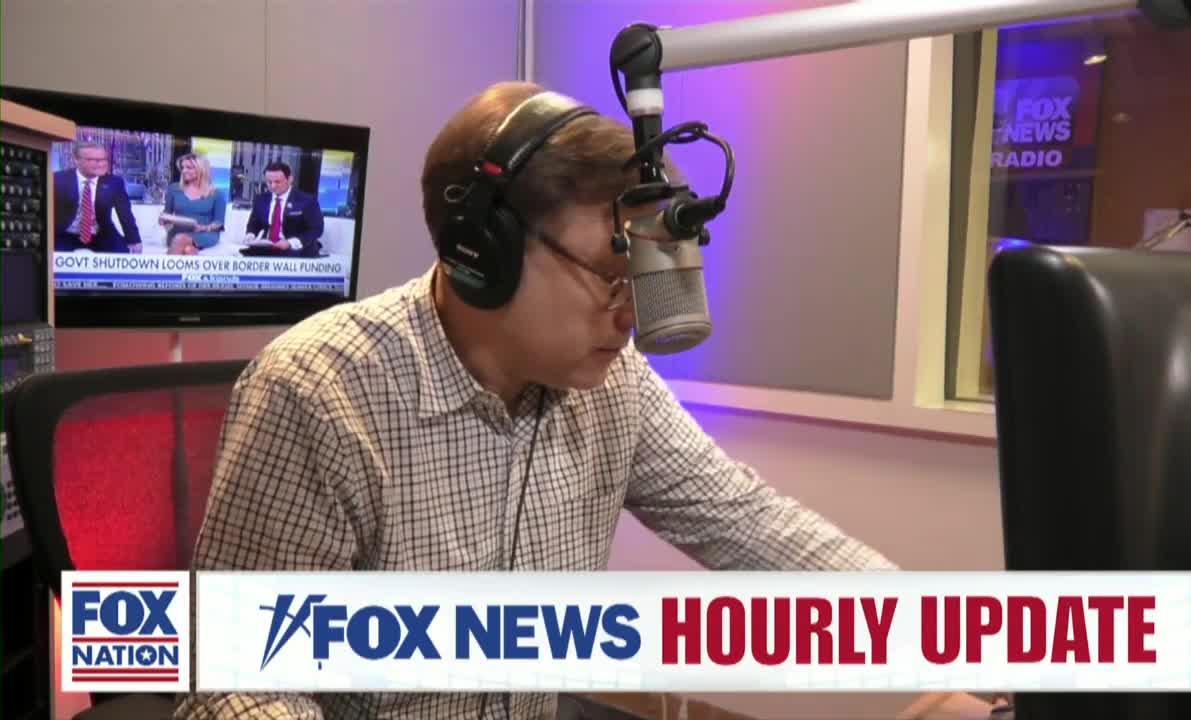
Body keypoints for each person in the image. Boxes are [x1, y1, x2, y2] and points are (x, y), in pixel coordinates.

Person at [175, 81, 895, 720]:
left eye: (644, 279)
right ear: (482, 252)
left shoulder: (616, 384)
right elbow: (237, 686)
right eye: (612, 275)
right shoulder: (320, 391)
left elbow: (746, 520)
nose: (635, 316)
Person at [52, 141, 142, 253]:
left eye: (103, 159)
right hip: (65, 233)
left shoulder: (114, 182)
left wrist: (134, 240)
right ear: (76, 160)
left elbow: (125, 214)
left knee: (122, 252)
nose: (100, 164)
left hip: (101, 233)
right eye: (92, 160)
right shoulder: (57, 179)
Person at [242, 161, 325, 257]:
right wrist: (250, 235)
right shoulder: (261, 199)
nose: (273, 186)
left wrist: (290, 243)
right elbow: (254, 224)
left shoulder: (306, 200)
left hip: (296, 250)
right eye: (269, 182)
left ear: (290, 179)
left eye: (277, 182)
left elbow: (316, 229)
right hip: (267, 249)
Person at [161, 153, 227, 255]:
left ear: (201, 169)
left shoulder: (216, 194)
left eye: (189, 168)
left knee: (182, 241)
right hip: (177, 232)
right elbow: (166, 214)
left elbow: (219, 223)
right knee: (185, 246)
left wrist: (204, 228)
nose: (184, 171)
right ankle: (192, 252)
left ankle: (168, 266)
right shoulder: (174, 189)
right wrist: (164, 220)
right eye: (182, 167)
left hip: (205, 234)